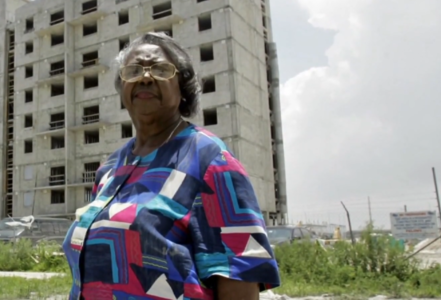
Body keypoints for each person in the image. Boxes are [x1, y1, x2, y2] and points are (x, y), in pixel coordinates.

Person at [62, 32, 281, 300]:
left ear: (183, 87)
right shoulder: (110, 168)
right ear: (122, 89)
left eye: (160, 69)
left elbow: (240, 279)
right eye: (133, 71)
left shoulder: (210, 160)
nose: (144, 77)